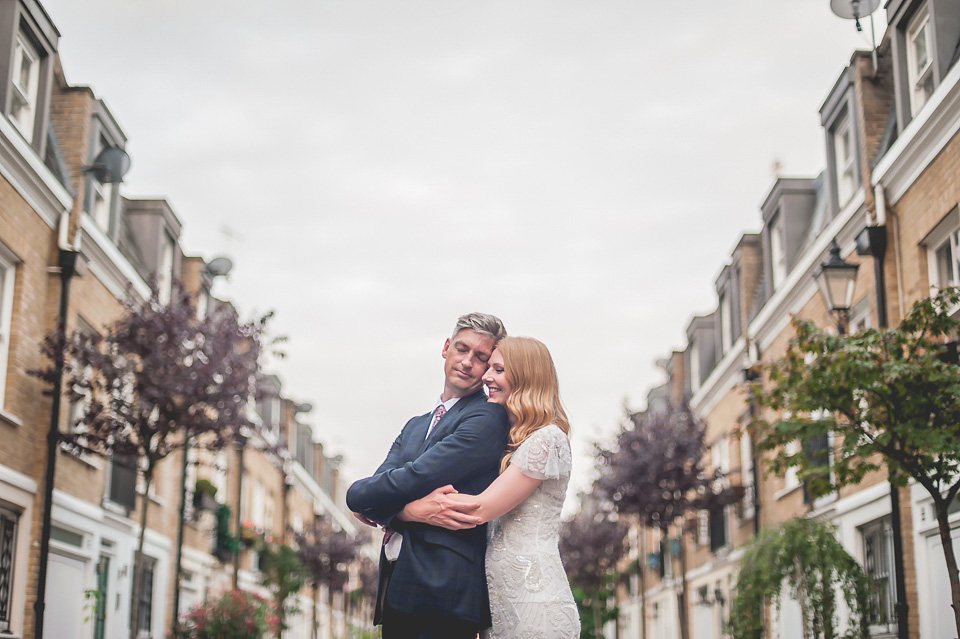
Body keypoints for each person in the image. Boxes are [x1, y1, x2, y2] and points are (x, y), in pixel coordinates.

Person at [401, 336, 580, 639]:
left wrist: (403, 511)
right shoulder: (515, 440)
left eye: (498, 370)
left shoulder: (546, 439)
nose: (486, 377)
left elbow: (479, 509)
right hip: (501, 600)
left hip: (532, 598)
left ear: (524, 377)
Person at [345, 312, 510, 639]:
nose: (467, 362)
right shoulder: (415, 425)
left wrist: (358, 495)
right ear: (446, 347)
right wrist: (407, 511)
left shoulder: (487, 417)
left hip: (444, 593)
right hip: (397, 587)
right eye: (462, 349)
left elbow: (414, 477)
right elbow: (382, 487)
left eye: (481, 357)